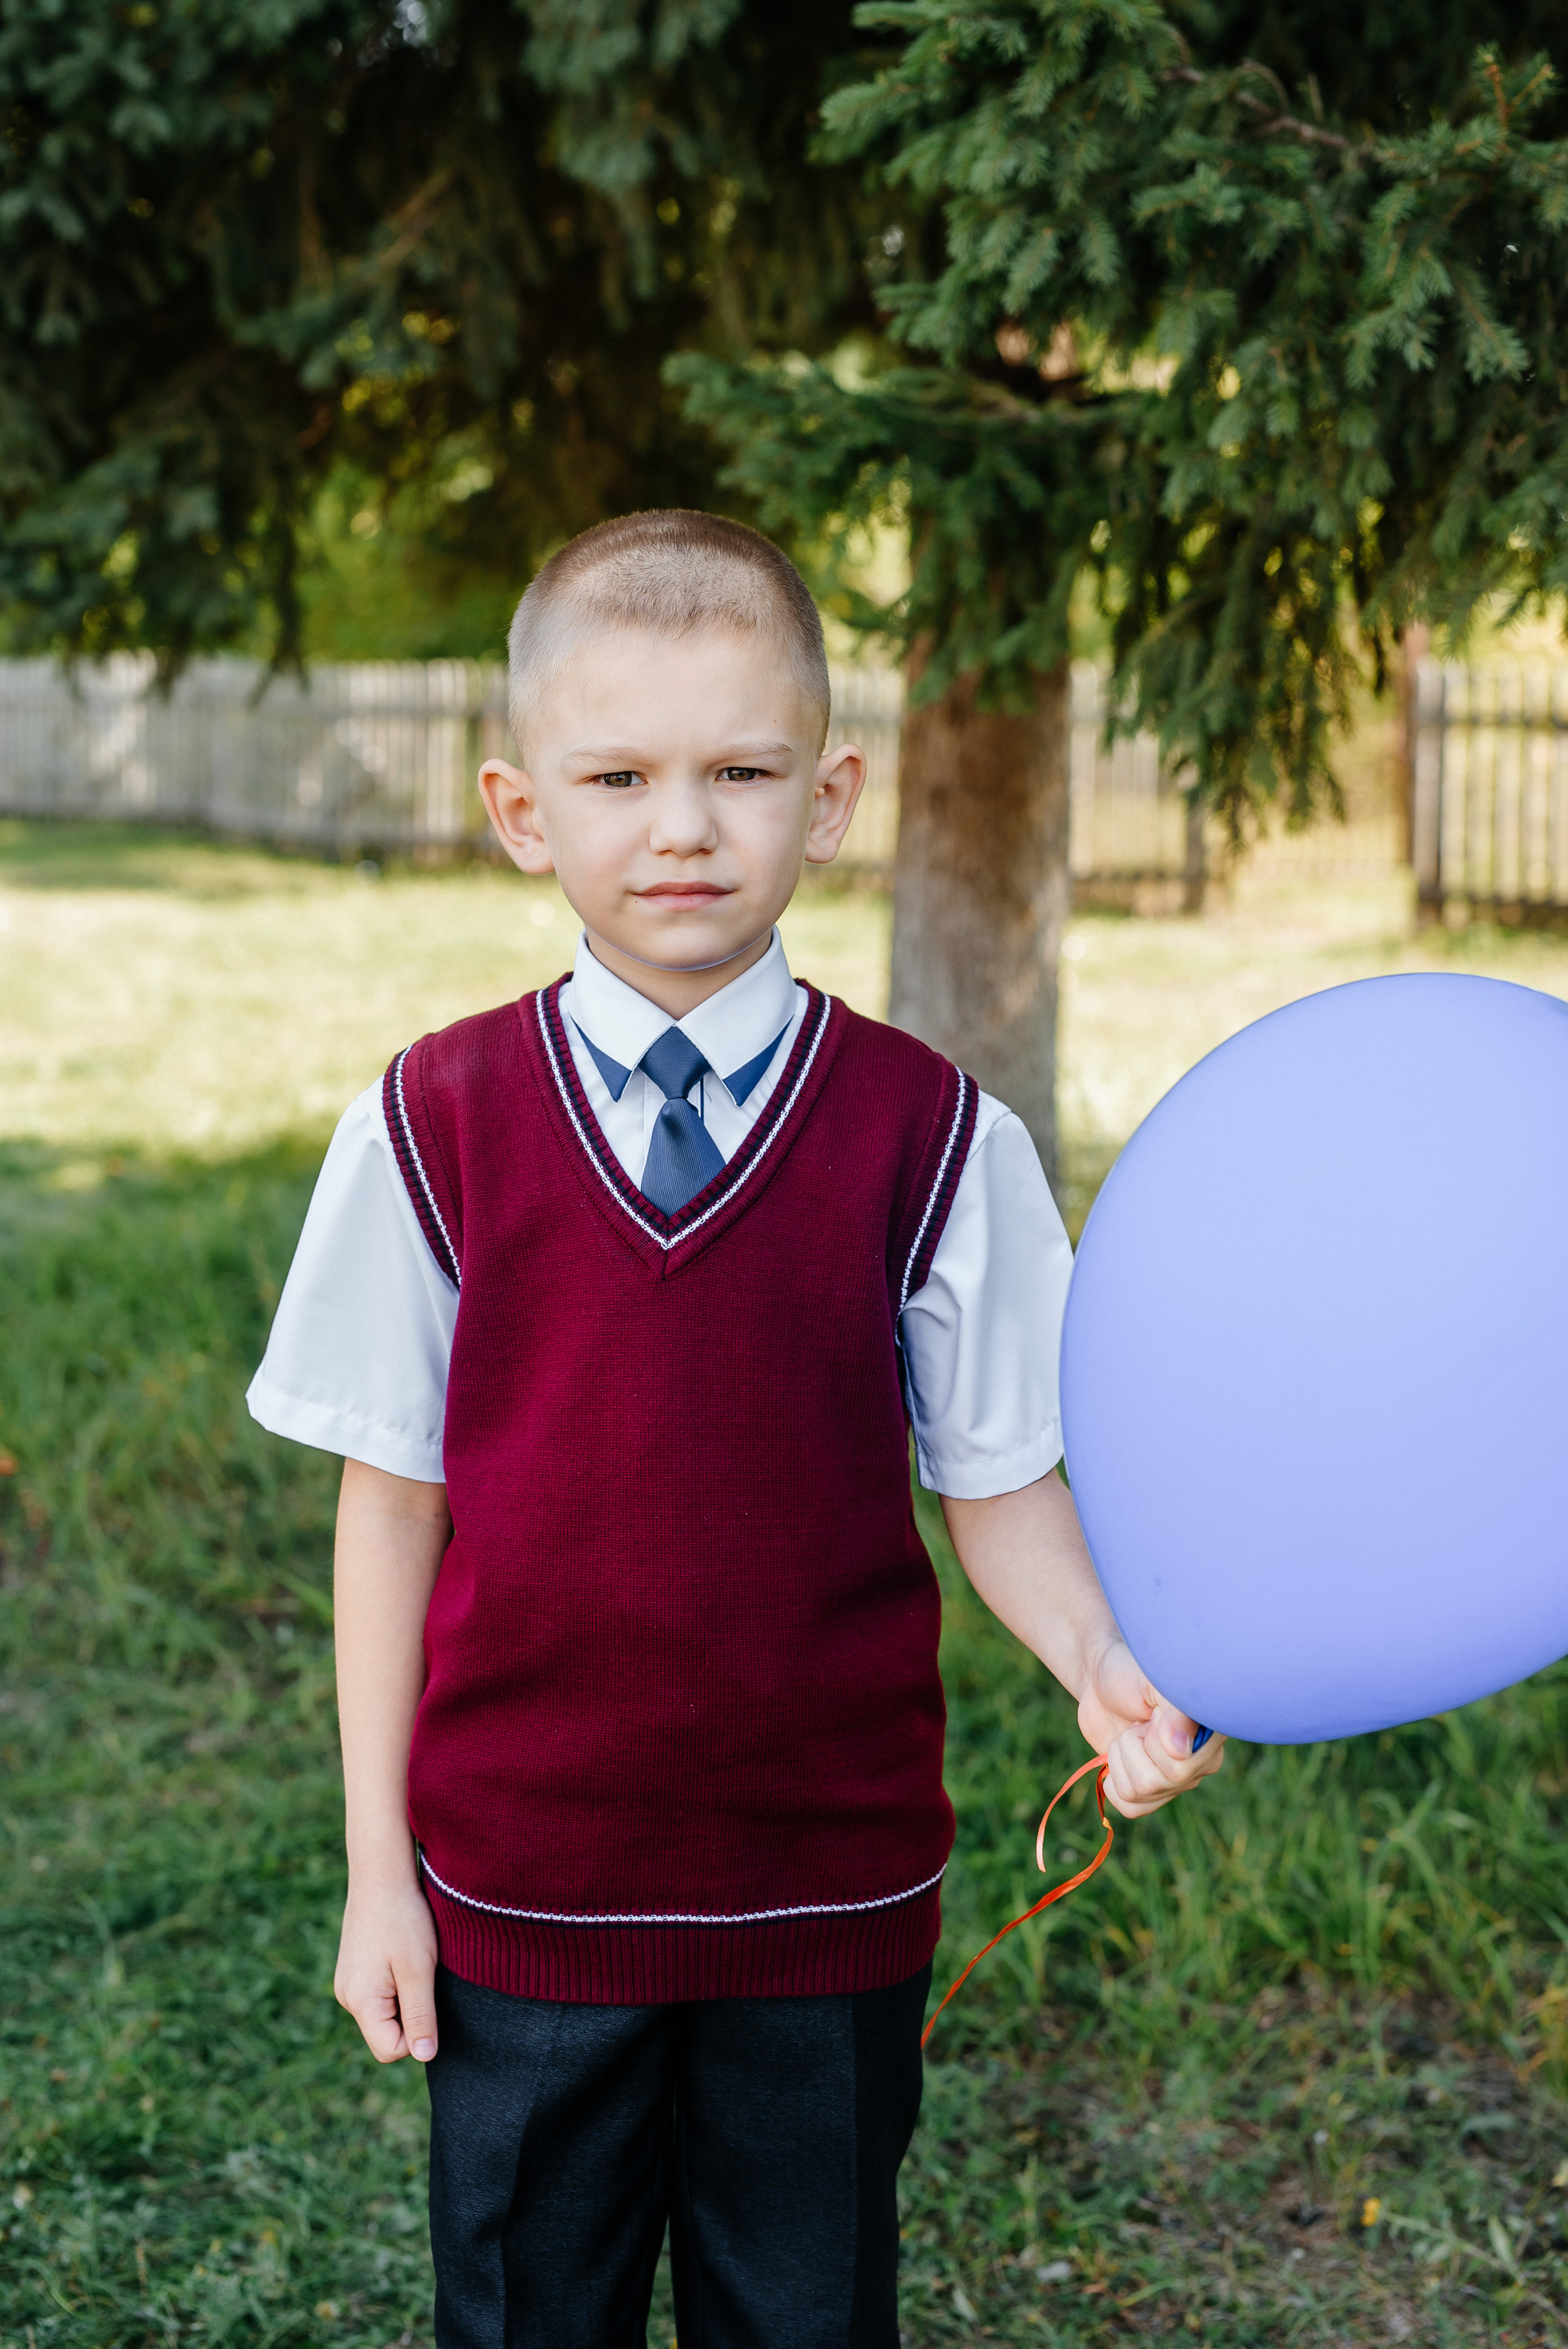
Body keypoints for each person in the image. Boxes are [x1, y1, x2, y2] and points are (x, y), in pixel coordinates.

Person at [246, 509, 1224, 2348]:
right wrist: (382, 1873)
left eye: (741, 771)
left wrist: (1101, 1654)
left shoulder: (938, 1135)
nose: (681, 824)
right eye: (617, 774)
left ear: (831, 796)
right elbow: (392, 1510)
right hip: (526, 1885)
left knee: (811, 2312)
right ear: (523, 809)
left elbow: (1001, 1478)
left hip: (828, 1883)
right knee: (534, 2313)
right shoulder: (432, 1124)